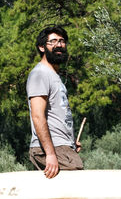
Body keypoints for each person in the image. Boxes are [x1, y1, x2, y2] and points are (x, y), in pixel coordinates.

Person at [27, 25, 83, 179]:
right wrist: (50, 154)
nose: (59, 45)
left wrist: (70, 141)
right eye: (53, 41)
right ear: (42, 47)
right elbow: (37, 116)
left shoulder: (54, 76)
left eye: (62, 41)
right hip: (53, 149)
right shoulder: (40, 74)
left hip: (62, 146)